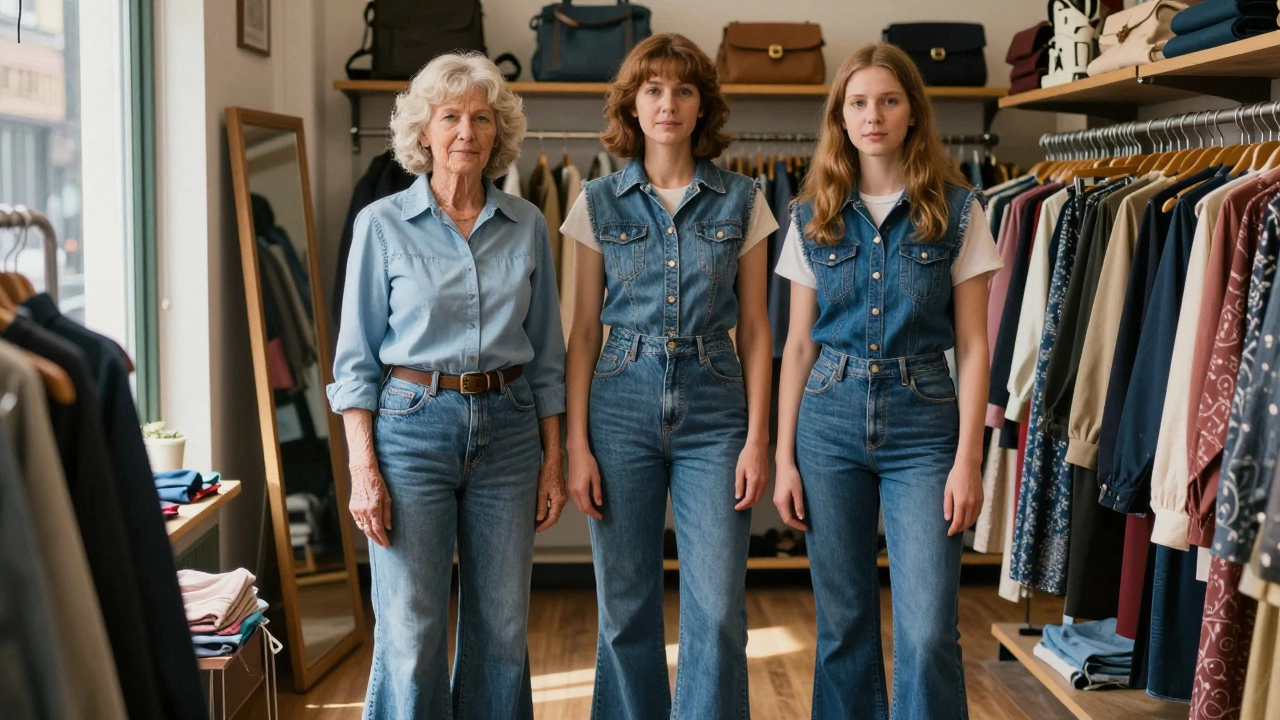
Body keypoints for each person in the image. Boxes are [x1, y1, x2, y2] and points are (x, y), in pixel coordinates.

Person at [326, 52, 567, 720]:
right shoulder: (381, 225)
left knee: (502, 627)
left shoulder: (529, 225)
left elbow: (548, 354)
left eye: (481, 118)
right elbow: (354, 364)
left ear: (498, 133)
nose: (467, 131)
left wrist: (555, 458)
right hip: (411, 429)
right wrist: (363, 468)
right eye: (451, 116)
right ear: (424, 131)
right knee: (411, 625)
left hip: (511, 429)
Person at [772, 42, 1002, 720]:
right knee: (843, 627)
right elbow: (795, 347)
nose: (874, 115)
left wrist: (970, 460)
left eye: (889, 100)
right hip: (828, 423)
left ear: (911, 114)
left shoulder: (960, 212)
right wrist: (784, 459)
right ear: (840, 118)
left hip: (926, 426)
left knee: (929, 630)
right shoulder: (811, 214)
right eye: (860, 102)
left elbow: (974, 344)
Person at [561, 33, 777, 720]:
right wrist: (576, 447)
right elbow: (584, 331)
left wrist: (757, 441)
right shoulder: (596, 201)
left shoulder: (745, 199)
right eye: (652, 89)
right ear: (631, 103)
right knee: (625, 609)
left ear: (702, 105)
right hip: (618, 404)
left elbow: (757, 329)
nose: (668, 103)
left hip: (716, 411)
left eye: (683, 89)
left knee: (716, 611)